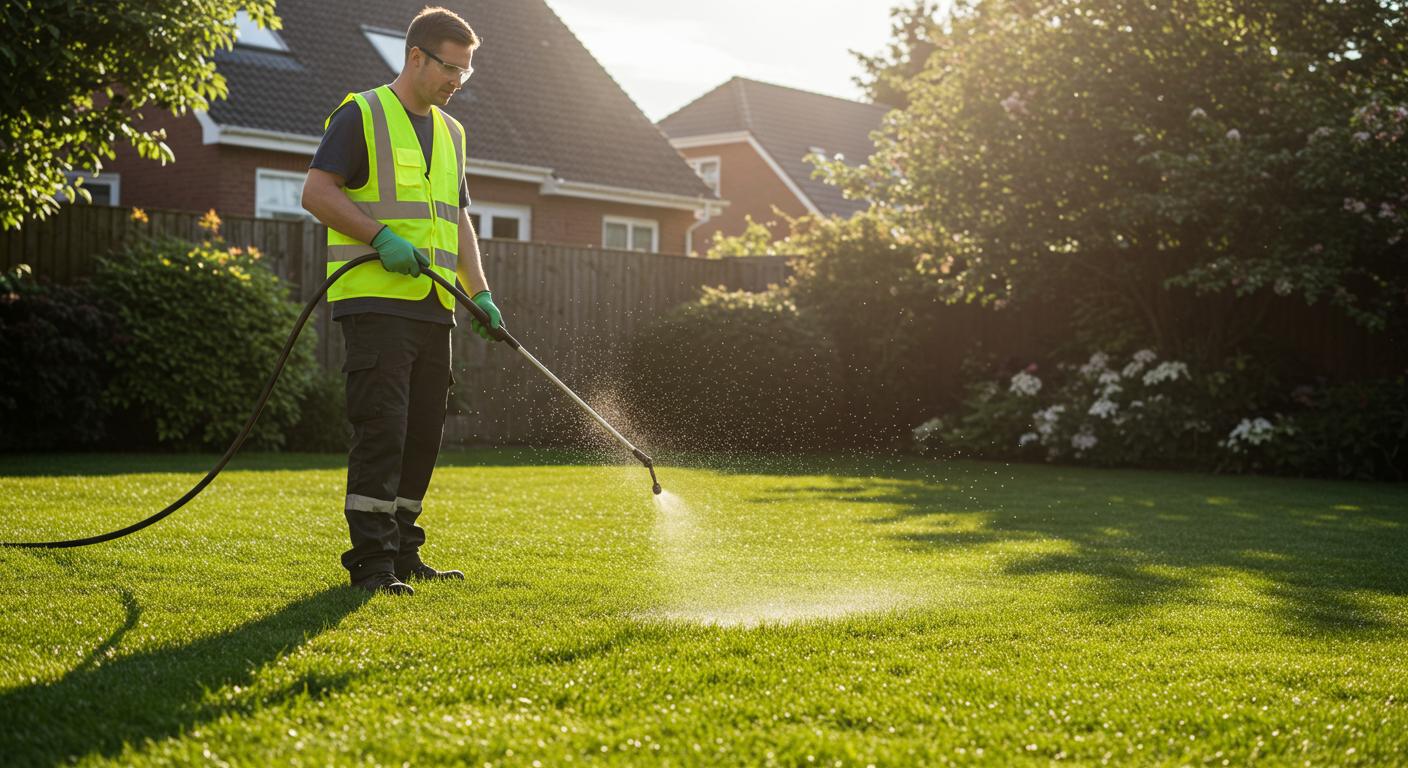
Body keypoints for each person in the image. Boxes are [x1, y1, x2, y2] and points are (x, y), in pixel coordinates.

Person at [300, 6, 501, 596]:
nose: (456, 81)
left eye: (466, 72)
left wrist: (480, 291)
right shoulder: (362, 113)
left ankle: (403, 550)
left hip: (433, 310)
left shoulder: (452, 133)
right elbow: (315, 190)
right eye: (450, 68)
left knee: (421, 433)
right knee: (383, 429)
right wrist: (379, 237)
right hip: (374, 303)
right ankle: (370, 563)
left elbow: (457, 219)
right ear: (416, 57)